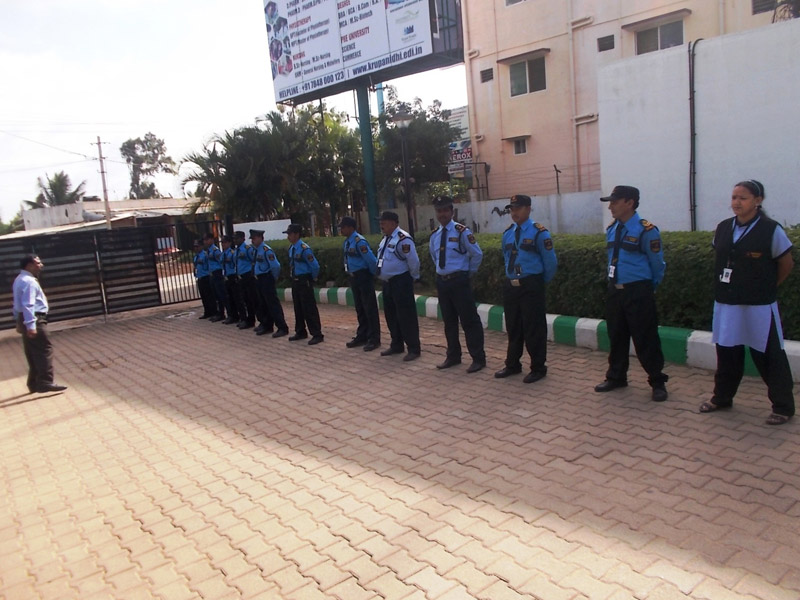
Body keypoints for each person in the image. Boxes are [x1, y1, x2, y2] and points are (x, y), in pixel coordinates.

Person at [699, 180, 795, 425]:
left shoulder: (770, 229)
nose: (736, 203)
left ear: (758, 201)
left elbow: (786, 264)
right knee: (727, 353)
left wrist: (767, 286)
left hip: (758, 306)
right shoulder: (723, 227)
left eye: (743, 198)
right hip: (727, 302)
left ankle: (783, 406)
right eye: (734, 197)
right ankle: (722, 397)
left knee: (769, 356)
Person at [594, 185, 669, 402]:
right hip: (615, 291)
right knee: (616, 336)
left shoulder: (646, 230)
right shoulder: (612, 228)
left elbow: (657, 265)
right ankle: (616, 377)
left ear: (629, 203)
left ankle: (657, 381)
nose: (610, 207)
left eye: (615, 202)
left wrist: (648, 288)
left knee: (646, 338)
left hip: (638, 290)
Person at [495, 194, 557, 383]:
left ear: (528, 209)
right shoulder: (508, 233)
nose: (514, 212)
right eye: (512, 209)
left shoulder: (539, 233)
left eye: (518, 208)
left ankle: (538, 367)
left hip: (531, 285)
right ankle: (512, 364)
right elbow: (506, 258)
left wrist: (537, 283)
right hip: (512, 285)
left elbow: (550, 263)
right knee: (513, 326)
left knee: (533, 328)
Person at [428, 195, 486, 373]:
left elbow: (477, 254)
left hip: (459, 281)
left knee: (469, 321)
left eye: (445, 210)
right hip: (443, 282)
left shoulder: (462, 232)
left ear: (451, 212)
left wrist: (468, 273)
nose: (442, 214)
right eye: (439, 211)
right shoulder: (435, 235)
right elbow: (434, 257)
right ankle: (453, 356)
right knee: (449, 322)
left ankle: (478, 358)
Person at [12, 254, 68, 393]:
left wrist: (19, 322)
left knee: (32, 352)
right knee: (44, 350)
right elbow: (28, 304)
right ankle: (45, 382)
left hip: (25, 319)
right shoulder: (29, 282)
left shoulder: (19, 279)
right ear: (29, 265)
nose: (41, 265)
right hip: (35, 319)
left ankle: (33, 383)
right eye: (38, 263)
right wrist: (31, 326)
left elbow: (16, 305)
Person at [375, 211, 421, 362]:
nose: (381, 225)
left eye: (384, 222)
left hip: (401, 281)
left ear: (393, 223)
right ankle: (397, 344)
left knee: (406, 316)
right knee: (391, 315)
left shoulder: (403, 239)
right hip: (388, 283)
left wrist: (412, 278)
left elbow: (413, 261)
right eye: (381, 222)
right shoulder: (386, 239)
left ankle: (413, 348)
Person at [339, 216, 381, 351]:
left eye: (343, 227)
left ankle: (374, 338)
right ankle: (362, 335)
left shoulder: (359, 241)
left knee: (369, 308)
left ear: (350, 227)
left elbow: (371, 260)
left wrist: (373, 275)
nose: (341, 230)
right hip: (354, 277)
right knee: (360, 308)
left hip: (363, 276)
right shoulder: (347, 242)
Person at [286, 223, 324, 345]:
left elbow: (315, 266)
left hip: (304, 280)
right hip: (295, 280)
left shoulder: (304, 249)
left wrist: (311, 279)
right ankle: (300, 331)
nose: (288, 236)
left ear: (297, 234)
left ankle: (317, 334)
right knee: (298, 307)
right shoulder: (292, 248)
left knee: (309, 308)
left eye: (290, 234)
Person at [251, 229, 289, 338]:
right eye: (252, 239)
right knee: (263, 304)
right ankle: (267, 325)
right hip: (259, 279)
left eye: (254, 238)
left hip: (266, 278)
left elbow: (275, 266)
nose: (253, 241)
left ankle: (282, 327)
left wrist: (273, 278)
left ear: (260, 238)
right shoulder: (256, 250)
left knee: (273, 304)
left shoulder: (266, 250)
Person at [234, 230, 257, 329]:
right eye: (234, 238)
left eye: (237, 238)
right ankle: (246, 319)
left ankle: (251, 320)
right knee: (244, 299)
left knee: (250, 299)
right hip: (240, 277)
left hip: (247, 276)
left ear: (243, 238)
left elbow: (253, 261)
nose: (235, 240)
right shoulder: (236, 250)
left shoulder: (247, 249)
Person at [202, 232, 226, 322]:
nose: (205, 242)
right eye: (204, 240)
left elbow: (221, 262)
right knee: (215, 295)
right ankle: (217, 313)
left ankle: (221, 313)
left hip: (217, 273)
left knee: (220, 295)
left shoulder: (215, 250)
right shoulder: (208, 250)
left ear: (212, 240)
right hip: (211, 274)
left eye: (207, 239)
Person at [220, 235, 242, 325]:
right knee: (229, 298)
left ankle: (241, 317)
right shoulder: (223, 254)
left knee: (237, 298)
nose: (223, 244)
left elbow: (235, 265)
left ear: (229, 243)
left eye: (224, 242)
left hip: (232, 276)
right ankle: (232, 316)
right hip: (226, 277)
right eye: (222, 242)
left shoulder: (232, 253)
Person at [193, 239, 216, 319]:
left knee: (209, 296)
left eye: (197, 246)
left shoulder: (205, 255)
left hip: (206, 277)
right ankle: (207, 312)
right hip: (200, 277)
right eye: (195, 247)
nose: (196, 248)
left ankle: (213, 312)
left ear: (202, 246)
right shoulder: (196, 256)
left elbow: (208, 265)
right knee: (203, 296)